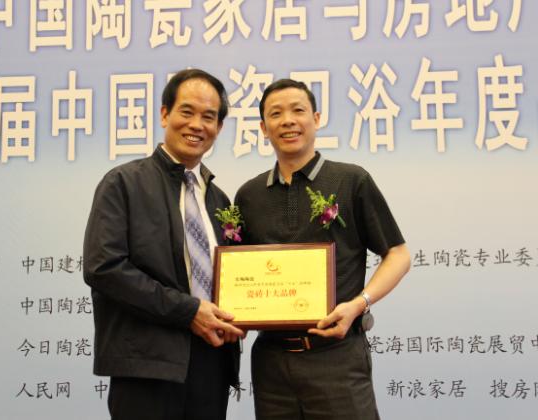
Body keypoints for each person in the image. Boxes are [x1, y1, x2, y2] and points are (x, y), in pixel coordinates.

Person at [234, 79, 411, 420]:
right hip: (271, 363)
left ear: (316, 119)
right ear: (263, 129)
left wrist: (359, 304)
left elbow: (398, 255)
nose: (288, 120)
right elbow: (238, 275)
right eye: (276, 114)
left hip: (337, 356)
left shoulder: (351, 180)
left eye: (298, 110)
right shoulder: (248, 195)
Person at [83, 68, 244, 420]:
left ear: (218, 127)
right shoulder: (123, 183)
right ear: (164, 114)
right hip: (147, 367)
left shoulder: (219, 200)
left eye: (209, 117)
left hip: (212, 361)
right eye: (187, 111)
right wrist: (189, 312)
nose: (197, 125)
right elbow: (104, 268)